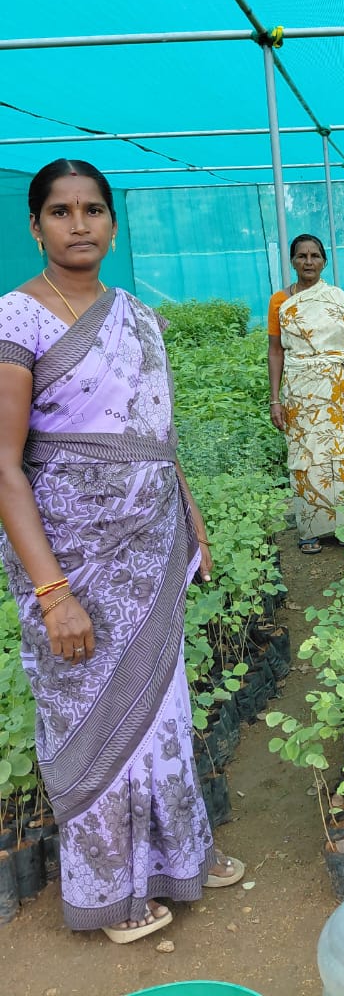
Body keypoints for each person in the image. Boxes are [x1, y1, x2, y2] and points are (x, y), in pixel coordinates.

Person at [0, 159, 241, 945]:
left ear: (112, 222)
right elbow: (4, 466)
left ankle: (179, 858)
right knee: (91, 714)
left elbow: (157, 434)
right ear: (35, 226)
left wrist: (192, 518)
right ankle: (111, 888)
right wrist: (52, 592)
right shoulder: (18, 320)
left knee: (163, 708)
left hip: (151, 543)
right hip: (73, 559)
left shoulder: (134, 312)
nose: (80, 225)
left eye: (94, 209)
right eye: (61, 212)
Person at [268, 235, 344, 552]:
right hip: (299, 390)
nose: (308, 262)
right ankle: (310, 529)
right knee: (304, 456)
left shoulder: (336, 298)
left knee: (336, 455)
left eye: (314, 256)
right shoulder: (279, 301)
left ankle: (342, 526)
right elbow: (275, 352)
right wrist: (274, 400)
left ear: (324, 261)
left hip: (337, 389)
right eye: (301, 256)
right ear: (292, 261)